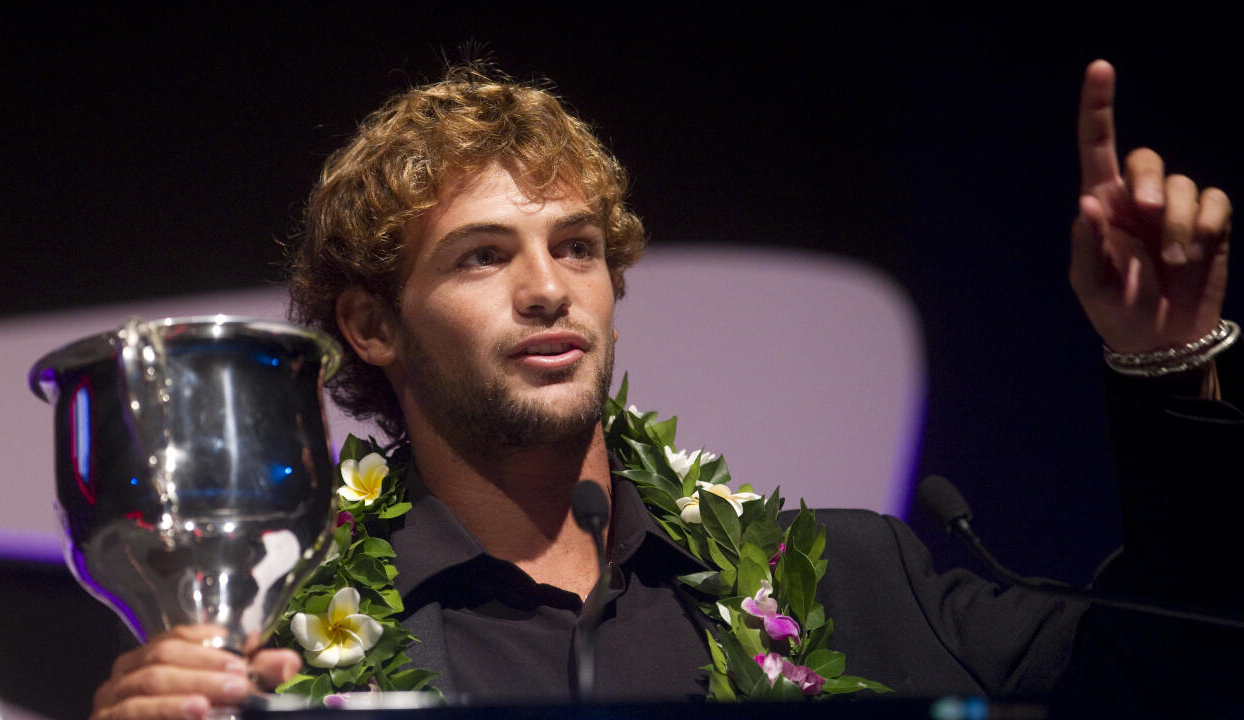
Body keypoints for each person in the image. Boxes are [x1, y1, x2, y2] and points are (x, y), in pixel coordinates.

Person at [89, 60, 1238, 719]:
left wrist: (1169, 362)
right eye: (483, 256)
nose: (549, 289)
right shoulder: (273, 650)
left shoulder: (849, 580)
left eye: (576, 247)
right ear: (371, 325)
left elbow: (1177, 669)